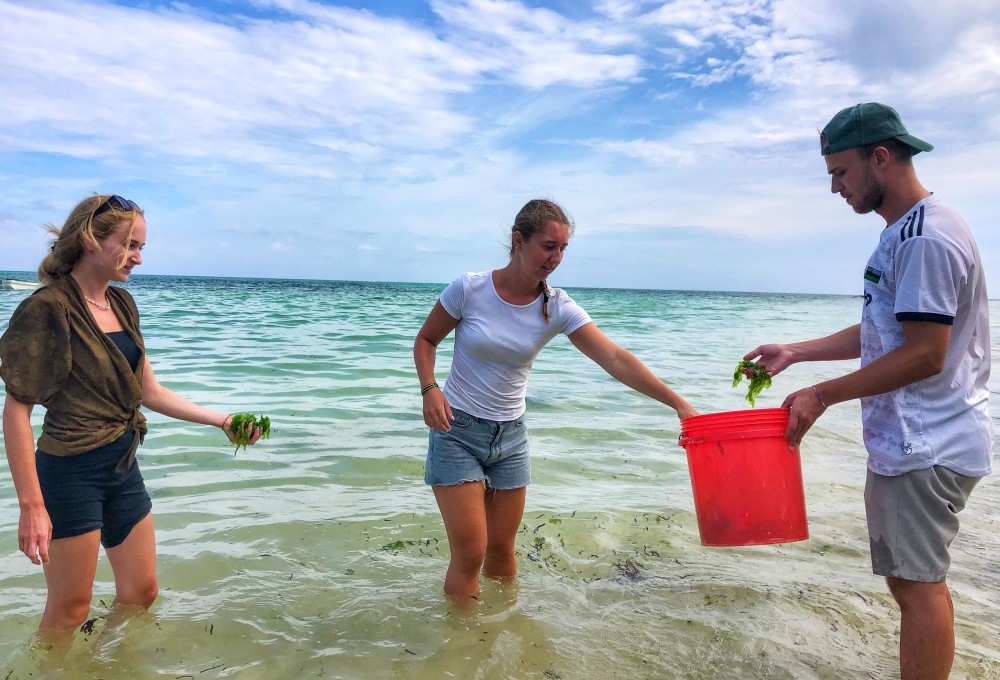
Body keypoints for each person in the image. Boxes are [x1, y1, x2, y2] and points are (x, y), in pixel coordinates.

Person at [744, 103, 992, 680]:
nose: (834, 187)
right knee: (915, 581)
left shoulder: (927, 238)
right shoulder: (905, 231)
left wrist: (821, 394)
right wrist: (798, 352)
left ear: (881, 157)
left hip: (927, 443)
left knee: (917, 587)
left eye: (840, 172)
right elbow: (887, 330)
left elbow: (926, 354)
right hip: (917, 442)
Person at [0, 194, 265, 642]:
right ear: (89, 239)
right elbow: (17, 409)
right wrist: (32, 506)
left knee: (142, 592)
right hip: (70, 471)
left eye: (141, 247)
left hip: (122, 466)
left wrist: (222, 420)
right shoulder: (48, 308)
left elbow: (148, 392)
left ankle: (105, 666)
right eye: (130, 245)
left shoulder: (121, 305)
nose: (138, 258)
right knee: (70, 609)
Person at [413, 198, 697, 600]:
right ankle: (462, 646)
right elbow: (426, 339)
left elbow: (614, 358)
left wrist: (678, 403)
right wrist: (430, 388)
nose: (557, 257)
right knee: (471, 553)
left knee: (500, 550)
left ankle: (502, 634)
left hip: (510, 439)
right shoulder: (470, 289)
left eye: (563, 248)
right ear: (519, 241)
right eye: (549, 246)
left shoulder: (557, 306)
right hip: (456, 431)